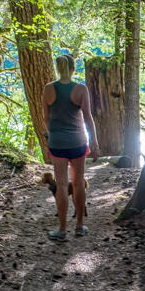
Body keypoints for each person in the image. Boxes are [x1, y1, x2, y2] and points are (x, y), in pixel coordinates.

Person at [40, 54, 98, 240]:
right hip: (78, 142)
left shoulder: (48, 89)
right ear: (73, 69)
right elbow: (88, 118)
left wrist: (55, 132)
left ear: (58, 69)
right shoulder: (81, 89)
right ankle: (80, 226)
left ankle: (62, 230)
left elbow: (46, 118)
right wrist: (94, 141)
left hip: (57, 143)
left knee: (62, 185)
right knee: (79, 183)